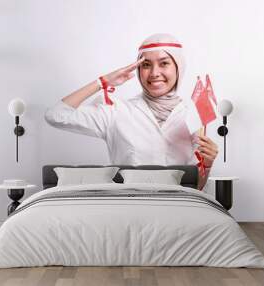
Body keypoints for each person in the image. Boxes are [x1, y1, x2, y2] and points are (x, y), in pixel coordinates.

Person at [45, 33, 218, 190]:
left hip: (176, 206)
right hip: (128, 206)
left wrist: (207, 164)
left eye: (164, 63)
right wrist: (103, 81)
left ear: (178, 68)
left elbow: (196, 188)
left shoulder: (193, 115)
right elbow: (56, 115)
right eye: (146, 65)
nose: (154, 73)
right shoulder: (116, 111)